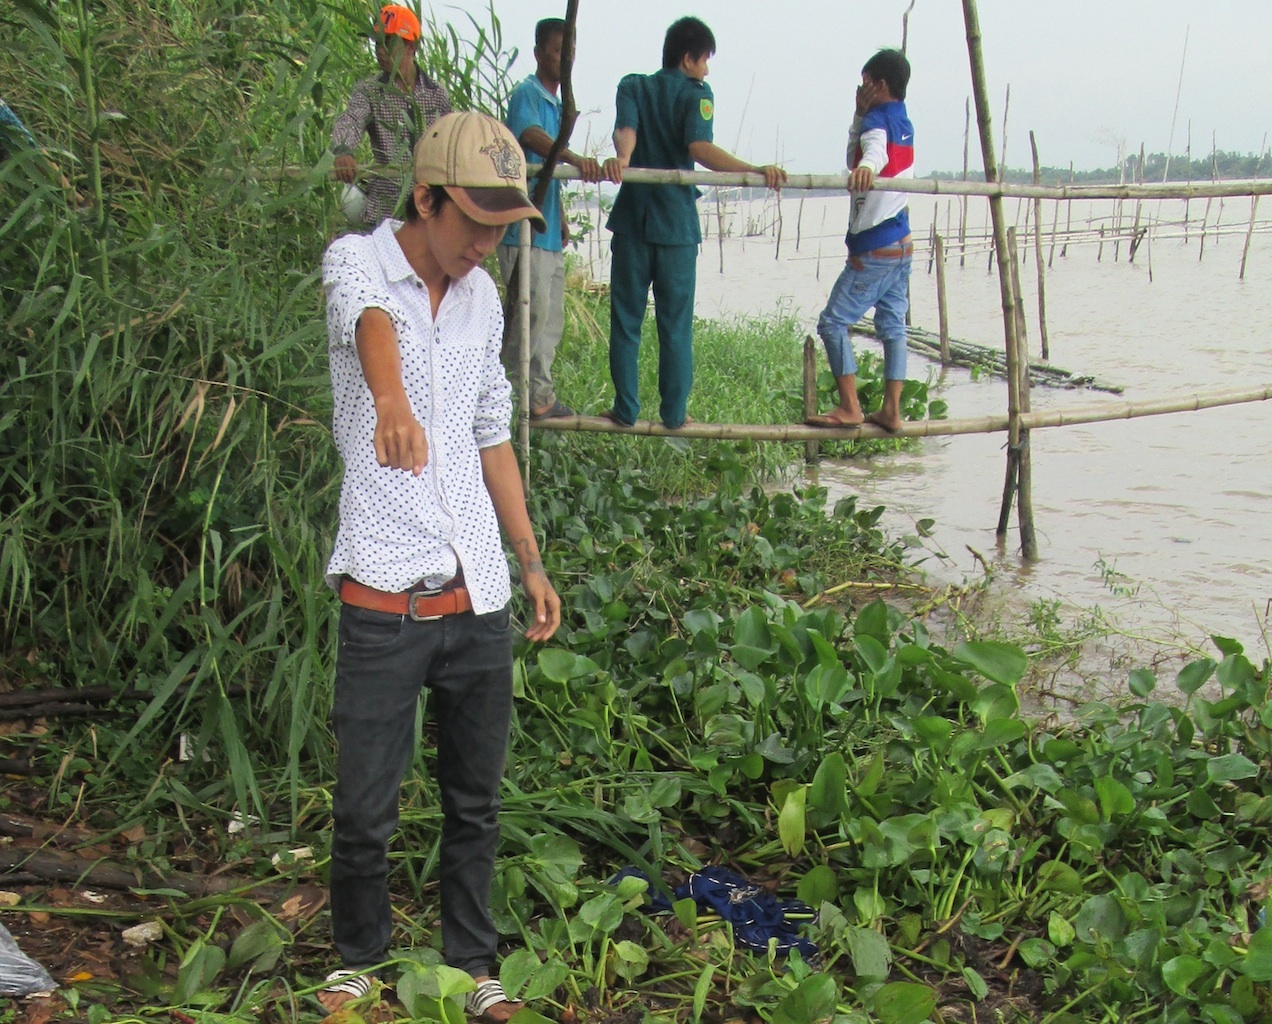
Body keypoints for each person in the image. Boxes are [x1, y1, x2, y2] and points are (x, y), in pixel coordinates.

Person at [318, 111, 562, 1024]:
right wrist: (390, 401)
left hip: (478, 598)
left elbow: (490, 433)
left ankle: (473, 965)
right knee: (365, 810)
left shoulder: (483, 298)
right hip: (384, 596)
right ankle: (359, 962)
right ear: (424, 199)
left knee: (475, 804)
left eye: (502, 229)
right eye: (474, 224)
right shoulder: (357, 259)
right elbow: (370, 322)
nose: (488, 244)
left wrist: (529, 560)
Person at [601, 17, 786, 429]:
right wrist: (753, 169)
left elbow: (625, 132)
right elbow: (699, 147)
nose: (706, 70)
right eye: (705, 61)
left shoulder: (633, 85)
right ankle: (673, 414)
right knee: (675, 325)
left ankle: (626, 409)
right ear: (688, 59)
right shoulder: (697, 94)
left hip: (633, 218)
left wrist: (625, 162)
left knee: (627, 321)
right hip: (675, 225)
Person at [497, 18, 615, 421]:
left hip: (547, 229)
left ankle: (540, 397)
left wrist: (561, 214)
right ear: (538, 54)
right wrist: (572, 156)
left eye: (571, 52)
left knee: (548, 319)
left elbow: (549, 174)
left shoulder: (560, 105)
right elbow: (529, 137)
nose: (566, 59)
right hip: (522, 227)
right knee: (525, 316)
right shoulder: (527, 95)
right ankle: (513, 397)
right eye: (557, 51)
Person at [807, 48, 915, 432]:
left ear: (879, 85)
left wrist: (868, 168)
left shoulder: (876, 120)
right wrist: (858, 120)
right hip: (902, 244)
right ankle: (892, 410)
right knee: (893, 327)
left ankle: (850, 406)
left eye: (865, 83)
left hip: (875, 247)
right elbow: (865, 151)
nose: (861, 88)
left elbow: (870, 153)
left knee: (832, 323)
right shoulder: (904, 121)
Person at [331, 4, 452, 228]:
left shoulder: (436, 94)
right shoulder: (370, 91)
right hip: (386, 209)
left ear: (411, 46)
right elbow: (352, 119)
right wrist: (344, 150)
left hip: (430, 208)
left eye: (388, 42)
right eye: (377, 42)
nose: (379, 50)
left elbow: (452, 141)